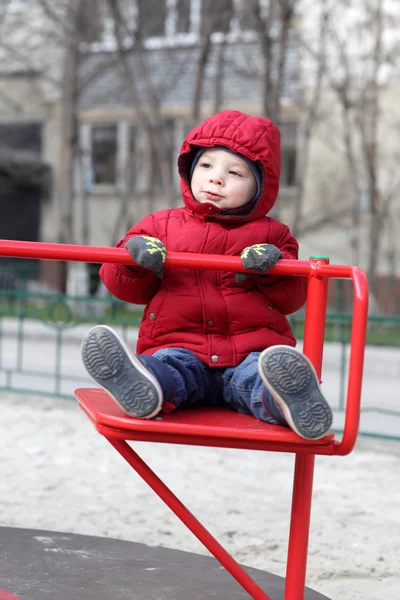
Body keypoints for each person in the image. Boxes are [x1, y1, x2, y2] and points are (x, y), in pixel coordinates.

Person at [81, 110, 333, 440]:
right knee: (170, 370)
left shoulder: (272, 235)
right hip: (179, 344)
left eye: (235, 172)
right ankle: (141, 383)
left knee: (257, 381)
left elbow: (292, 298)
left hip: (249, 353)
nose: (216, 178)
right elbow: (125, 288)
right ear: (189, 170)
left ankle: (289, 399)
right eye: (206, 166)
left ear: (260, 186)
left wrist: (273, 268)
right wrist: (133, 260)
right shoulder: (160, 226)